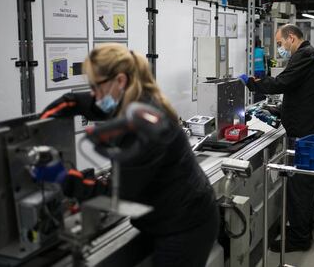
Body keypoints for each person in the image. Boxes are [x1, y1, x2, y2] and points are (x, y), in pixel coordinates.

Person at [41, 43, 220, 267]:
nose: (93, 94)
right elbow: (101, 105)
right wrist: (72, 101)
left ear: (120, 81)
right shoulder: (137, 99)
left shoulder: (143, 126)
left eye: (95, 86)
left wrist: (66, 179)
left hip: (184, 228)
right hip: (174, 213)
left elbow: (118, 197)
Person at [239, 24, 314, 252]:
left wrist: (252, 83)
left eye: (280, 43)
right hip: (306, 128)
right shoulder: (307, 55)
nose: (280, 48)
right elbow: (299, 92)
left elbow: (283, 83)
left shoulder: (305, 55)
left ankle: (300, 239)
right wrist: (281, 111)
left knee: (300, 186)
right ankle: (301, 227)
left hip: (306, 133)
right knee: (302, 184)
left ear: (291, 38)